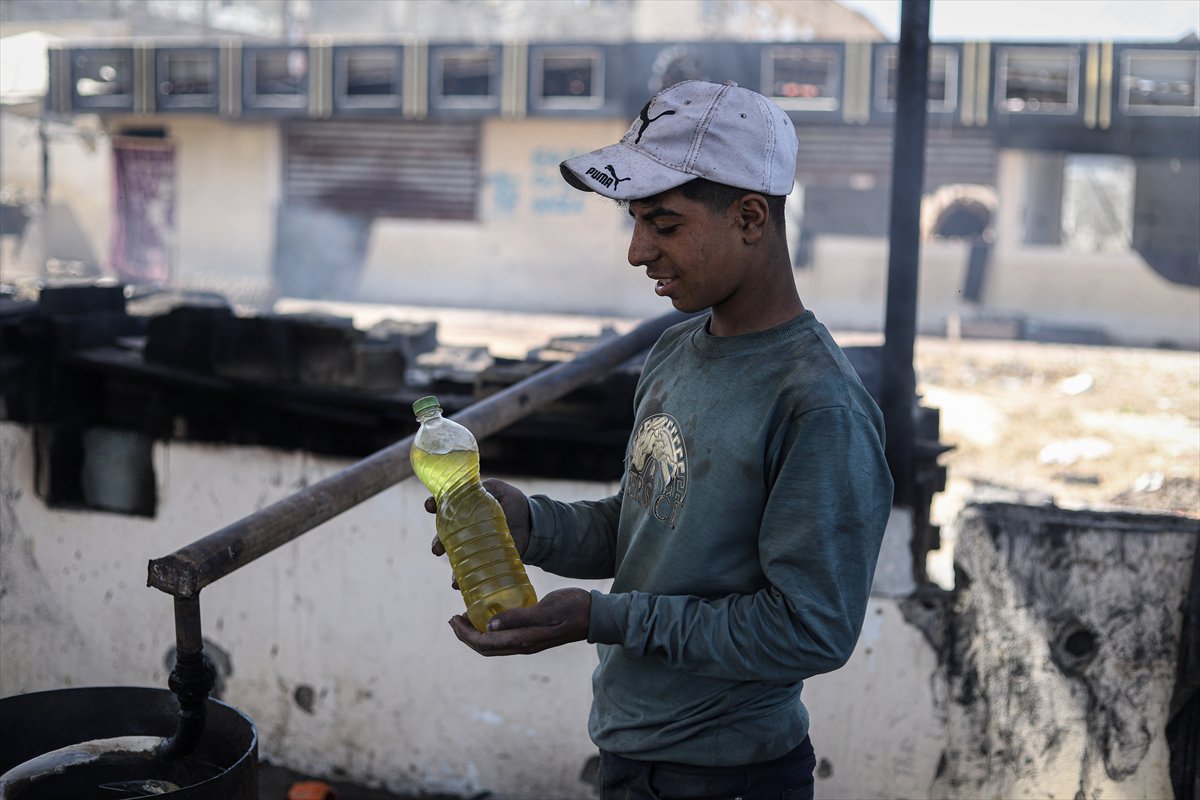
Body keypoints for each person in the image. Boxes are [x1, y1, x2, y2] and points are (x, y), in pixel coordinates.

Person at [428, 79, 894, 800]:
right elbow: (653, 526)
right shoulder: (677, 352)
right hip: (631, 752)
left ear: (749, 217)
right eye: (634, 222)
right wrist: (530, 524)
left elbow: (811, 630)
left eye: (665, 224)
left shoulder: (818, 404)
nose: (638, 251)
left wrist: (597, 617)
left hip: (730, 775)